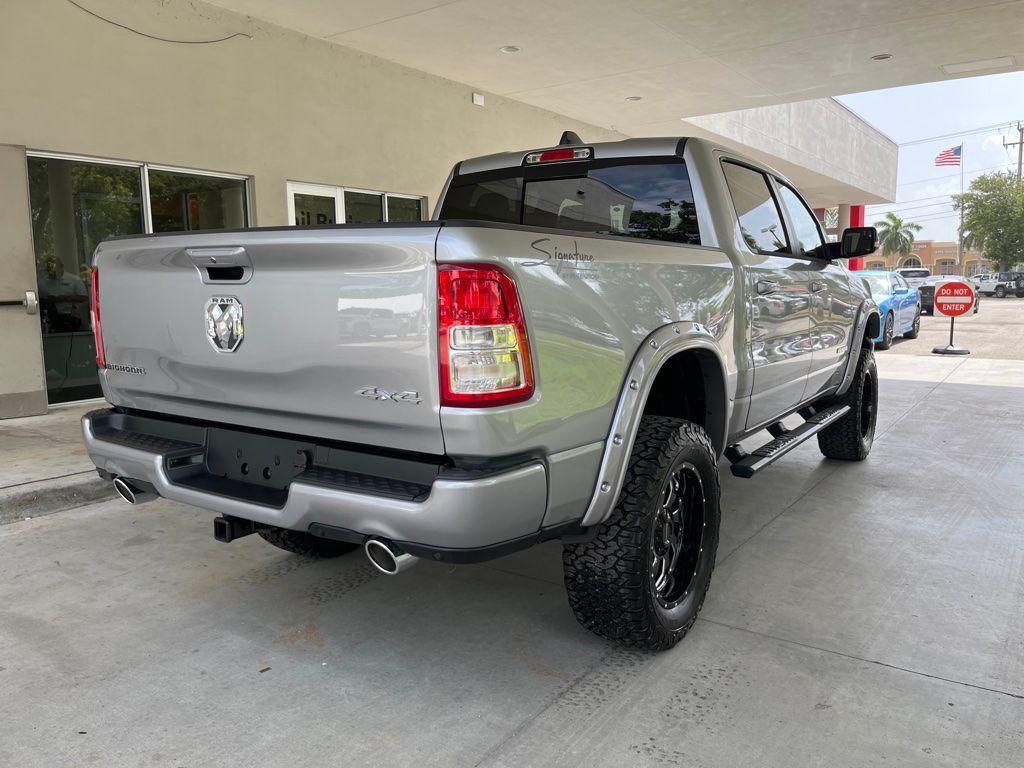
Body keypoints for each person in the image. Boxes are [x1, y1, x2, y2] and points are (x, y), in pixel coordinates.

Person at [38, 256, 88, 331]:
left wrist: (65, 298)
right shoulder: (42, 283)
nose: (53, 272)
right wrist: (49, 300)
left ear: (62, 267)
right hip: (49, 318)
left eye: (55, 269)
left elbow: (84, 298)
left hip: (71, 317)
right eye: (50, 269)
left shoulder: (74, 280)